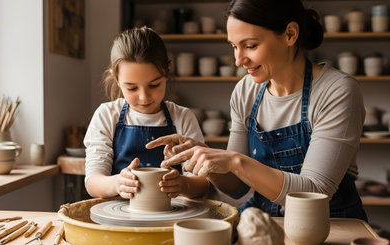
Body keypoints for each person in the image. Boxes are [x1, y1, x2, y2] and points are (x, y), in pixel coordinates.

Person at [146, 0, 368, 221]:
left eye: (250, 45)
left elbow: (314, 192)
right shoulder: (246, 91)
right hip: (263, 219)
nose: (238, 60)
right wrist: (205, 158)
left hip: (329, 223)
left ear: (290, 34)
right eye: (234, 46)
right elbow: (237, 187)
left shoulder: (336, 91)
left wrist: (234, 161)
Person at [84, 26, 209, 200]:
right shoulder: (107, 115)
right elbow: (93, 182)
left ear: (168, 70)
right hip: (119, 216)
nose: (144, 97)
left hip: (170, 215)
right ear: (116, 79)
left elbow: (202, 183)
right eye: (132, 87)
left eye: (154, 85)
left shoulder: (183, 117)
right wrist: (116, 183)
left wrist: (183, 184)